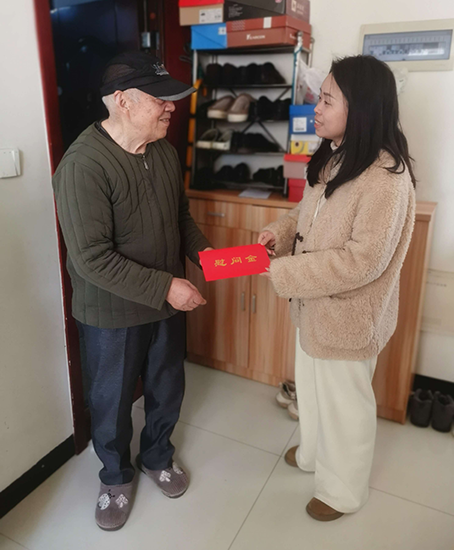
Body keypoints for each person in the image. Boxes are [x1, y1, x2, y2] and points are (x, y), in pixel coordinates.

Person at [52, 51, 213, 531]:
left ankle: (157, 456)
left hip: (165, 303)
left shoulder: (163, 151)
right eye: (160, 99)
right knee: (111, 401)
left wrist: (207, 256)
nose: (171, 107)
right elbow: (92, 259)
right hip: (112, 314)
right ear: (122, 101)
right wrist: (168, 287)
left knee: (166, 387)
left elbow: (180, 218)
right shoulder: (83, 165)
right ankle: (115, 476)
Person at [259, 55, 416, 521]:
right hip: (314, 310)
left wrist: (285, 273)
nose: (316, 108)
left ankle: (343, 491)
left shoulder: (386, 178)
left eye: (327, 100)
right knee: (311, 392)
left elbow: (361, 261)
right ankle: (312, 454)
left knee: (345, 408)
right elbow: (307, 215)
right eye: (319, 97)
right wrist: (279, 234)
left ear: (360, 107)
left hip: (348, 318)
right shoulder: (336, 155)